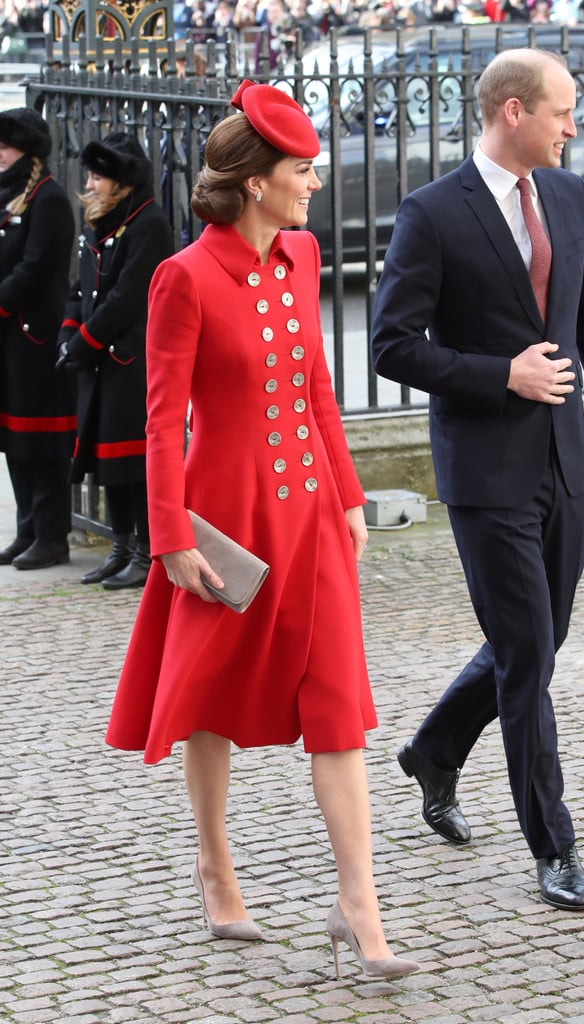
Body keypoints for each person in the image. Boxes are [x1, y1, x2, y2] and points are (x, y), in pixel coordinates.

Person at [104, 82, 419, 981]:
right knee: (208, 696)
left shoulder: (304, 254)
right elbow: (163, 422)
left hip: (311, 516)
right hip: (223, 521)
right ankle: (215, 869)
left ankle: (358, 905)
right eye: (301, 170)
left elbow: (317, 386)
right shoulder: (183, 277)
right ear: (254, 183)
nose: (313, 182)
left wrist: (352, 495)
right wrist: (170, 539)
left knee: (336, 705)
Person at [371, 48, 584, 912]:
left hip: (562, 464)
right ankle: (554, 847)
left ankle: (433, 749)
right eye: (562, 111)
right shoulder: (432, 214)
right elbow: (392, 346)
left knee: (536, 641)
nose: (574, 128)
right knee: (529, 654)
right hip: (483, 474)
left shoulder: (571, 199)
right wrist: (499, 373)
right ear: (512, 111)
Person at [57, 133, 173, 589]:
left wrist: (85, 340)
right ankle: (121, 548)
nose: (90, 183)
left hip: (128, 361)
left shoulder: (149, 223)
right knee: (108, 464)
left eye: (98, 176)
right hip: (97, 361)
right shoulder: (101, 220)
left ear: (121, 182)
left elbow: (127, 297)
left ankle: (146, 552)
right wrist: (70, 333)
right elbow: (80, 286)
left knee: (135, 465)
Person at [0, 107, 76, 570]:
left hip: (35, 335)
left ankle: (52, 535)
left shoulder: (47, 199)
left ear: (25, 152)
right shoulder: (9, 196)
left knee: (42, 443)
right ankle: (27, 528)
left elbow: (34, 268)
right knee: (13, 441)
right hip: (9, 338)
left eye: (4, 148)